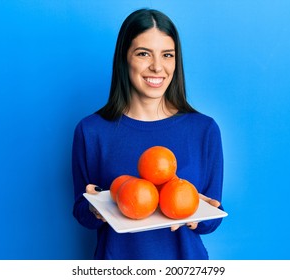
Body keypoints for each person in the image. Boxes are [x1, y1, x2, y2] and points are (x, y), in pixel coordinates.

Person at [72, 8, 224, 260]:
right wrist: (94, 207)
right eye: (143, 54)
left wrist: (196, 213)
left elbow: (213, 219)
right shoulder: (91, 131)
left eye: (167, 55)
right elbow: (82, 213)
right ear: (124, 58)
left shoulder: (204, 130)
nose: (157, 67)